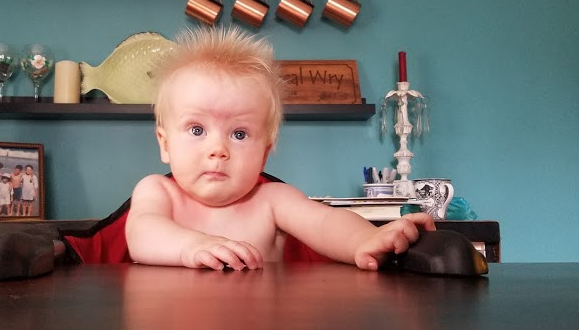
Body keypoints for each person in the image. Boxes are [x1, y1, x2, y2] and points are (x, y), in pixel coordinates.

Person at [125, 27, 435, 271]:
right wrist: (193, 247)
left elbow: (325, 222)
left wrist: (367, 238)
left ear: (265, 151)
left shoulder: (271, 200)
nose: (218, 149)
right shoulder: (157, 192)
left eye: (240, 134)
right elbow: (142, 234)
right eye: (197, 130)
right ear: (164, 144)